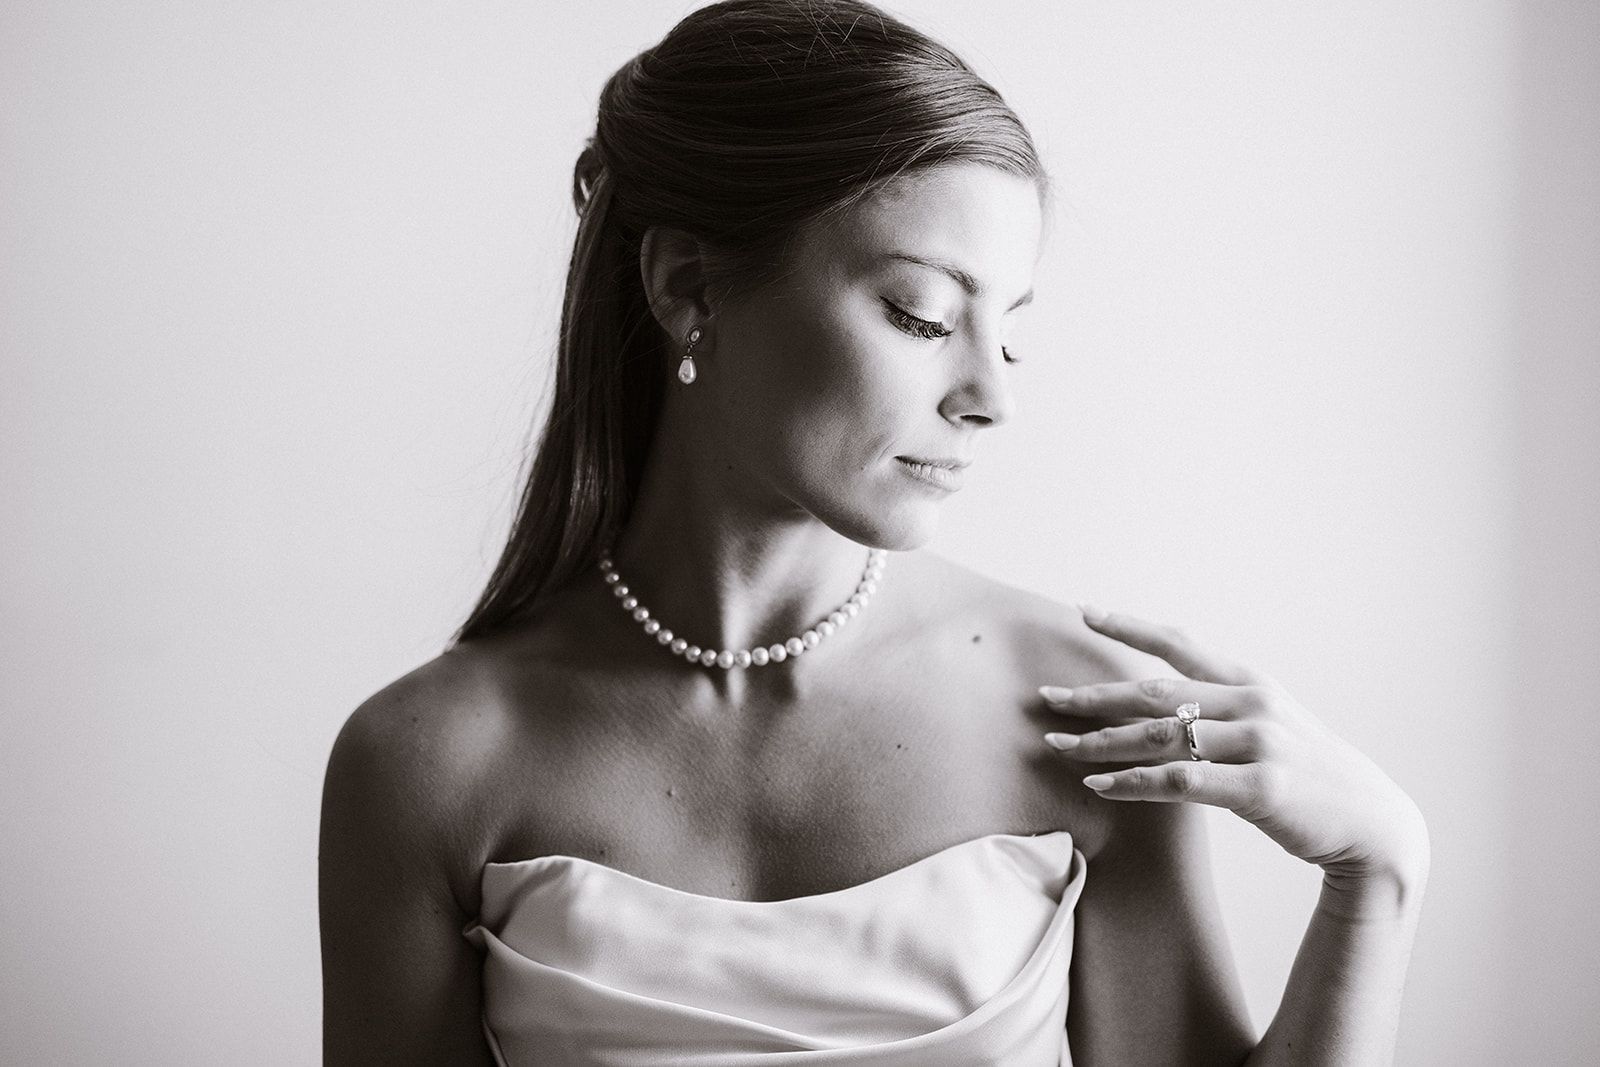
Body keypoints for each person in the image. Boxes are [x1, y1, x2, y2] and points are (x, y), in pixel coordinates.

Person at [318, 1, 1430, 1063]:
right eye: (923, 315)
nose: (988, 396)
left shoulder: (1093, 722)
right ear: (686, 282)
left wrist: (1374, 874)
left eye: (1010, 333)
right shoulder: (430, 761)